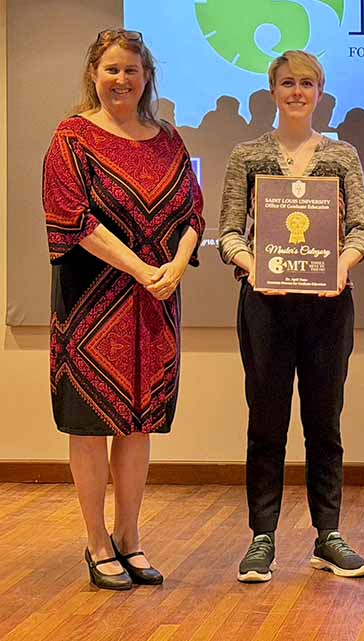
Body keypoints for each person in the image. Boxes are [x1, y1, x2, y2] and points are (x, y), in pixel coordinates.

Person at [42, 28, 204, 590]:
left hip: (156, 304)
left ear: (146, 78)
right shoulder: (72, 138)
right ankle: (95, 543)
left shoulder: (168, 140)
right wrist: (141, 269)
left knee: (139, 426)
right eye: (112, 69)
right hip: (91, 307)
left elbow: (194, 217)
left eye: (131, 71)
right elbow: (72, 219)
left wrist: (177, 266)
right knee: (90, 426)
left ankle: (130, 538)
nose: (122, 80)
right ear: (94, 74)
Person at [218, 50, 364, 583]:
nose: (297, 92)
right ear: (272, 90)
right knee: (266, 423)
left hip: (329, 307)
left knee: (324, 423)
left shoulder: (342, 156)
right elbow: (230, 233)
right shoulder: (247, 156)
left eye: (307, 83)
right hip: (264, 305)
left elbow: (362, 233)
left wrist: (342, 266)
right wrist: (251, 264)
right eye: (288, 83)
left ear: (321, 91)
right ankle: (262, 537)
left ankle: (328, 535)